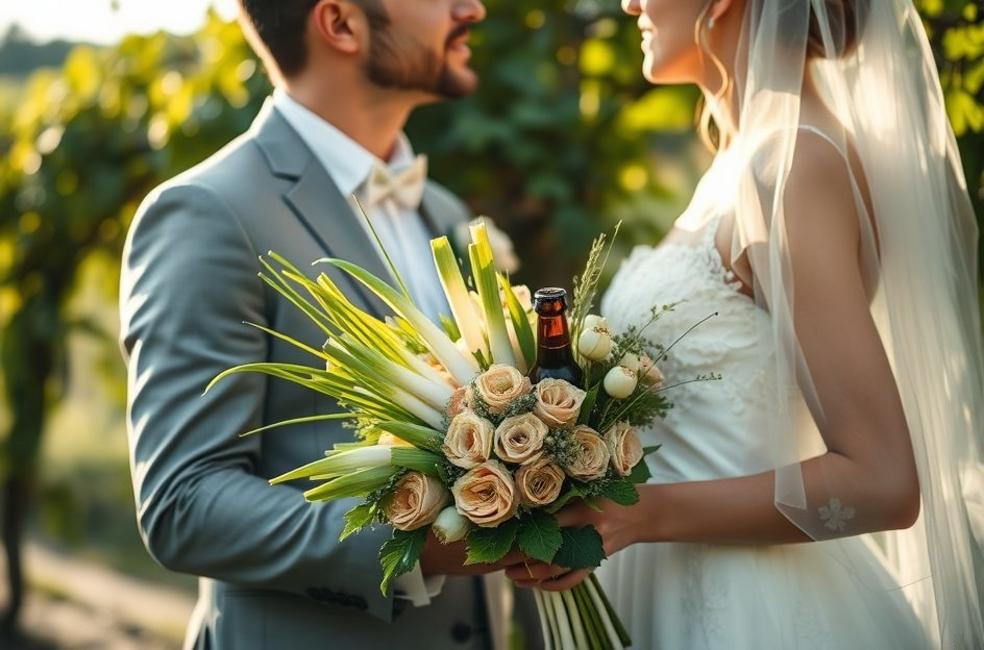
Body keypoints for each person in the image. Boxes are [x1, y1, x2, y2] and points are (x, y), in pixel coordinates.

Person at [507, 1, 984, 648]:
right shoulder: (741, 158)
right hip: (662, 589)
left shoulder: (791, 165)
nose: (629, 4)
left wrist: (640, 514)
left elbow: (882, 482)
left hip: (751, 614)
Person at [119, 1, 538, 648]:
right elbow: (186, 503)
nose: (471, 7)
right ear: (340, 23)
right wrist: (418, 543)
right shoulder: (209, 212)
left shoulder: (444, 211)